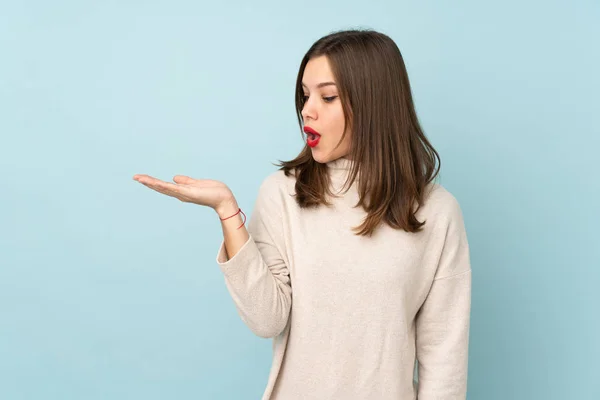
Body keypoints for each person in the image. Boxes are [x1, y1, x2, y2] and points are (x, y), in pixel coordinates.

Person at [133, 28, 472, 400]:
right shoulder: (282, 193)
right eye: (305, 95)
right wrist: (227, 211)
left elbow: (444, 361)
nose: (307, 110)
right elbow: (267, 320)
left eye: (327, 97)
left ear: (374, 103)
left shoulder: (436, 212)